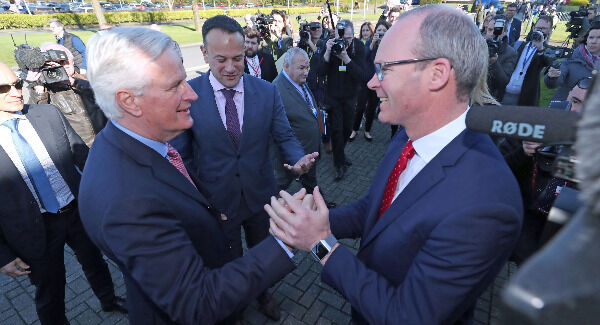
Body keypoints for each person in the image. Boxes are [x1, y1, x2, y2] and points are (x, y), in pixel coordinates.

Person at [265, 5, 523, 324]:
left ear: (437, 74)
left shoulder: (486, 204)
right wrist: (316, 220)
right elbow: (376, 208)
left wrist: (319, 244)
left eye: (385, 69)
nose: (372, 82)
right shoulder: (407, 135)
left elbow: (407, 316)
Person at [78, 27, 303, 325]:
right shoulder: (128, 203)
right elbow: (197, 303)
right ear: (129, 100)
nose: (192, 93)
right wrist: (287, 239)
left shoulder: (129, 149)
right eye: (175, 86)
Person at [171, 16, 318, 321]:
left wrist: (298, 159)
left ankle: (264, 294)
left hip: (260, 194)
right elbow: (182, 157)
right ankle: (235, 305)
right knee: (228, 259)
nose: (230, 67)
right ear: (204, 53)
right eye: (220, 59)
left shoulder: (266, 91)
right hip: (216, 201)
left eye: (237, 58)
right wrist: (202, 201)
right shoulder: (189, 95)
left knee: (263, 253)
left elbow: (285, 135)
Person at [0, 61, 125, 325]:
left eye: (18, 84)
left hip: (76, 211)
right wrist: (3, 256)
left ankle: (109, 300)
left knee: (96, 263)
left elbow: (84, 157)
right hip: (33, 230)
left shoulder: (48, 114)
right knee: (50, 290)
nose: (15, 92)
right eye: (4, 88)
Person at [510, 78, 590, 264]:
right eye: (575, 101)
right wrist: (524, 151)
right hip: (527, 215)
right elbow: (500, 168)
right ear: (567, 97)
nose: (577, 111)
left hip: (570, 231)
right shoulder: (541, 123)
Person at [272, 48, 333, 208]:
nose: (306, 72)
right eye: (301, 68)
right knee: (280, 184)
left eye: (307, 67)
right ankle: (266, 209)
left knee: (311, 181)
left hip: (310, 151)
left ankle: (318, 202)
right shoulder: (276, 91)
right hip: (291, 158)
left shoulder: (300, 81)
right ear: (286, 67)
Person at [25, 43, 107, 147]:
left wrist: (74, 83)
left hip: (107, 144)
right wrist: (38, 89)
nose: (60, 67)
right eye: (52, 64)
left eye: (63, 61)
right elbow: (37, 121)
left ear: (72, 62)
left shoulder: (89, 80)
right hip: (82, 152)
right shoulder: (45, 92)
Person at [318, 19, 366, 181]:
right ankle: (339, 165)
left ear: (353, 35)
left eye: (349, 38)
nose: (345, 42)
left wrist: (346, 58)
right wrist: (326, 52)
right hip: (333, 97)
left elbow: (361, 75)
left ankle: (341, 153)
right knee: (337, 131)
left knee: (347, 129)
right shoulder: (330, 46)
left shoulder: (358, 47)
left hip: (351, 95)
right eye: (343, 38)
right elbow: (320, 72)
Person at [351, 21, 390, 142]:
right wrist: (373, 43)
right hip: (365, 80)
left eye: (384, 30)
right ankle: (354, 129)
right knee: (360, 107)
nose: (381, 33)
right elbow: (365, 55)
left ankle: (367, 131)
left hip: (378, 81)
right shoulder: (368, 42)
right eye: (379, 30)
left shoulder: (389, 45)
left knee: (372, 108)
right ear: (375, 32)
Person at [503, 15, 553, 106]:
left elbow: (546, 62)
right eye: (538, 28)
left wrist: (540, 48)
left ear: (550, 30)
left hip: (525, 98)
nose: (540, 31)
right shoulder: (518, 45)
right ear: (533, 28)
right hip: (504, 93)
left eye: (544, 28)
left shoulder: (548, 51)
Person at [544, 22, 600, 102]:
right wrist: (552, 77)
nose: (593, 41)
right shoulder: (571, 57)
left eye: (599, 38)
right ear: (586, 39)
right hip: (566, 109)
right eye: (591, 37)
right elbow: (553, 84)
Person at [484, 15, 518, 102]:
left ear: (505, 32)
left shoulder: (510, 53)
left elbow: (504, 82)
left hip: (490, 99)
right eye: (490, 30)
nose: (492, 34)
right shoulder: (477, 44)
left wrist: (494, 63)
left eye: (496, 31)